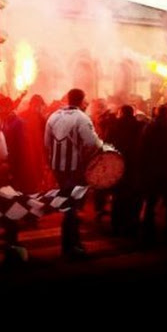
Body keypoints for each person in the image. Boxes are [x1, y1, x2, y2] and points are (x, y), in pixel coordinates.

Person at [44, 88, 104, 260]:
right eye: (85, 101)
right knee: (72, 206)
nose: (86, 104)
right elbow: (93, 143)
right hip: (75, 169)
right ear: (81, 100)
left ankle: (74, 242)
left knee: (69, 204)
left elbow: (46, 144)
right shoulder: (82, 118)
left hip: (58, 169)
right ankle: (69, 246)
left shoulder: (53, 116)